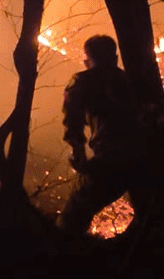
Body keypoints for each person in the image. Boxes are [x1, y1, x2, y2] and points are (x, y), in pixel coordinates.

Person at [58, 35, 149, 237]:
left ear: (87, 59)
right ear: (115, 58)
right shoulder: (129, 81)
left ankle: (63, 258)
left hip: (110, 160)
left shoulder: (82, 82)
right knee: (145, 220)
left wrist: (78, 154)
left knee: (73, 215)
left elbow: (72, 122)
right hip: (142, 159)